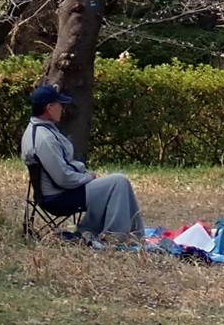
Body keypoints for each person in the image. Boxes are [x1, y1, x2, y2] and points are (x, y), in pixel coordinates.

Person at [20, 83, 143, 249]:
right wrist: (87, 177)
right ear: (49, 108)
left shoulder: (36, 129)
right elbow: (63, 178)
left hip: (54, 193)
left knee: (119, 182)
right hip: (59, 198)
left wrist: (81, 172)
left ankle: (133, 234)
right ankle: (115, 238)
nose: (62, 109)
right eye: (60, 105)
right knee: (118, 181)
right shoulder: (45, 138)